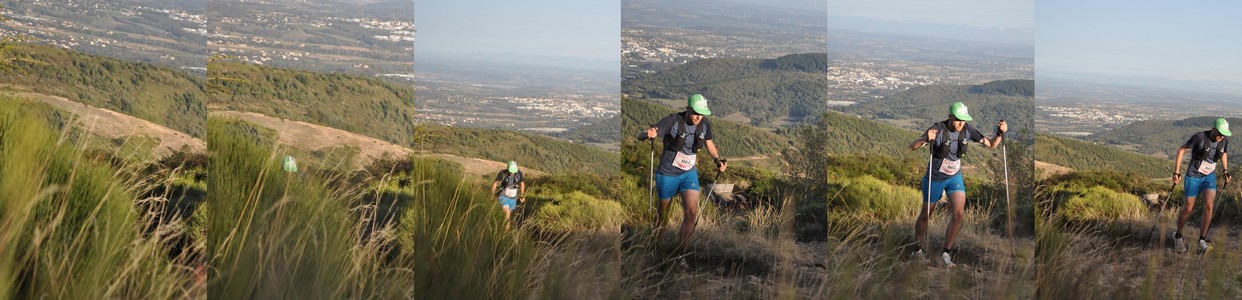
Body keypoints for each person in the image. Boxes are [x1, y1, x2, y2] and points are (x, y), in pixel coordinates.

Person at [908, 101, 1006, 268]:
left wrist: (999, 133)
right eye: (958, 119)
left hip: (955, 177)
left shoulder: (968, 130)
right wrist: (925, 138)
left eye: (964, 120)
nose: (961, 123)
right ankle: (916, 250)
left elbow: (992, 144)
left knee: (958, 214)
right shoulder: (938, 129)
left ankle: (946, 253)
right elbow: (913, 146)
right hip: (935, 178)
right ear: (950, 117)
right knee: (926, 215)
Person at [637, 94, 727, 250]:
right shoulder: (672, 121)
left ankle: (680, 254)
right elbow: (642, 135)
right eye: (696, 112)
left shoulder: (704, 124)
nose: (699, 117)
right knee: (663, 215)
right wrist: (648, 135)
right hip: (668, 173)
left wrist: (717, 160)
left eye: (702, 113)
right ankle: (655, 247)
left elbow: (709, 143)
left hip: (689, 173)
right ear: (687, 109)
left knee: (691, 213)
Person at [1172, 118, 1231, 253]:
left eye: (1224, 134)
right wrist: (1176, 172)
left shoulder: (1224, 140)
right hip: (1193, 176)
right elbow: (1181, 150)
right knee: (1188, 208)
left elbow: (1223, 154)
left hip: (1209, 176)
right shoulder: (1200, 137)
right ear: (1213, 129)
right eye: (1219, 133)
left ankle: (1202, 240)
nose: (1221, 136)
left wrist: (1225, 171)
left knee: (1209, 206)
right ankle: (1178, 236)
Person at [490, 161, 525, 229]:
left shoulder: (519, 173)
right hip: (503, 196)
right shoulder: (502, 173)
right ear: (507, 168)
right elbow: (495, 183)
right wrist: (492, 194)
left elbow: (522, 184)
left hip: (513, 197)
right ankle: (505, 235)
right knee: (507, 216)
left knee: (510, 213)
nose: (512, 173)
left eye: (513, 171)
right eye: (511, 171)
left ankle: (499, 221)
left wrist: (522, 195)